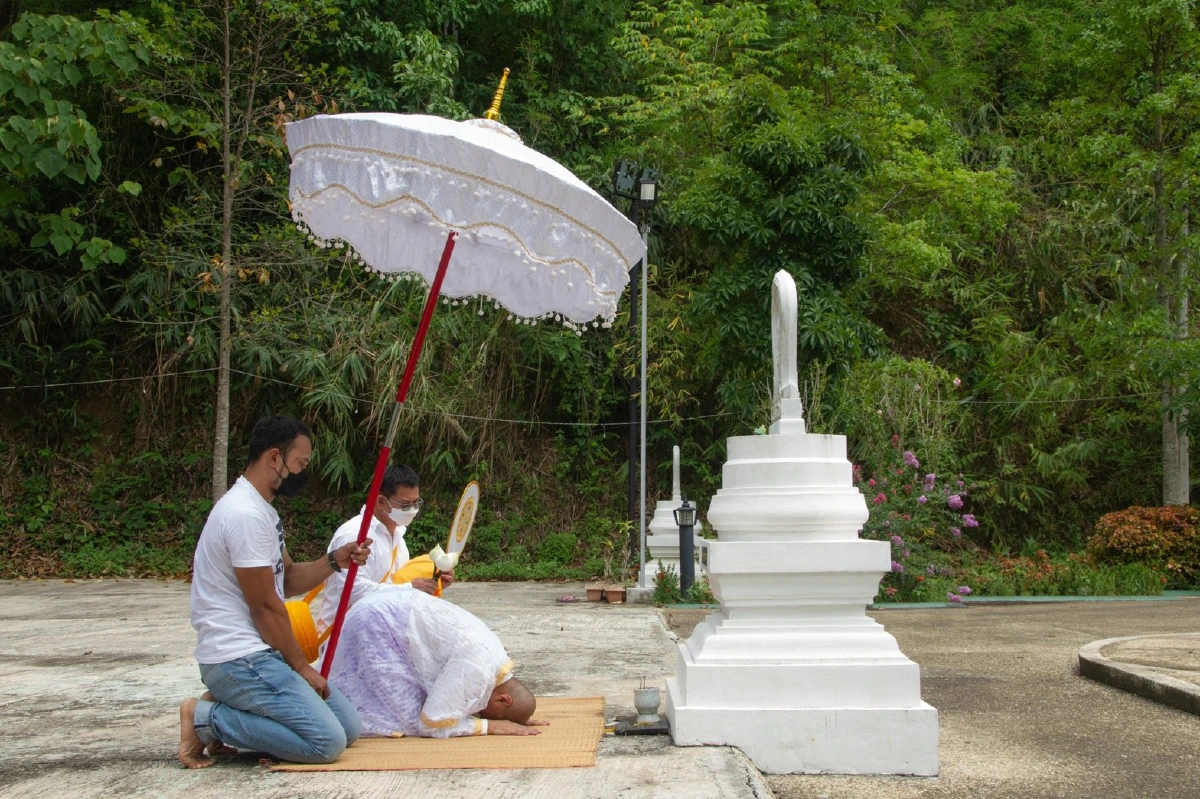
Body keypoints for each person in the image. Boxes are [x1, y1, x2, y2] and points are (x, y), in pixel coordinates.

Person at [179, 415, 371, 769]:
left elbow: (286, 579)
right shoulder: (244, 515)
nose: (302, 473)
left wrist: (334, 561)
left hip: (261, 654)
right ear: (274, 458)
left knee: (349, 727)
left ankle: (233, 703)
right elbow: (266, 607)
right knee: (326, 743)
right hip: (238, 657)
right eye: (300, 463)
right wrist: (301, 666)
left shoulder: (262, 512)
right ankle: (205, 718)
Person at [329, 588, 547, 738]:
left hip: (389, 607)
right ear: (503, 699)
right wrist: (490, 726)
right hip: (379, 621)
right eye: (488, 712)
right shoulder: (477, 669)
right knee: (405, 719)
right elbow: (432, 723)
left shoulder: (496, 660)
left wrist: (515, 718)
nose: (479, 712)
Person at [315, 465, 453, 663]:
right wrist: (409, 589)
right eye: (405, 505)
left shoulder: (398, 537)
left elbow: (397, 584)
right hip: (342, 640)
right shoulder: (355, 535)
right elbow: (352, 591)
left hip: (379, 634)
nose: (412, 510)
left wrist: (436, 583)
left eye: (416, 503)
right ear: (381, 501)